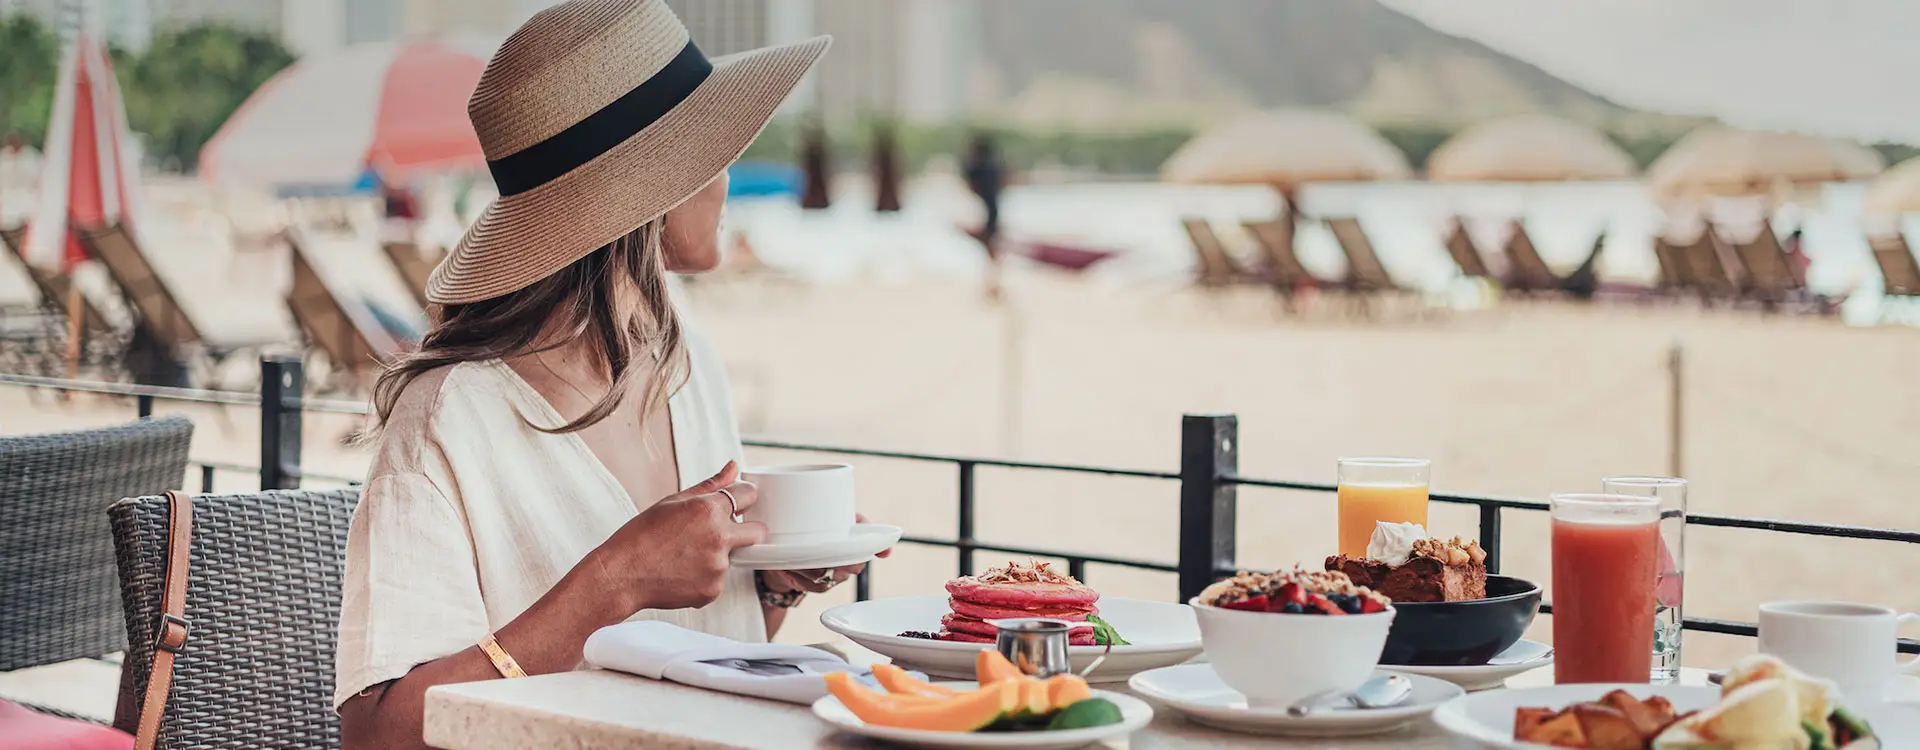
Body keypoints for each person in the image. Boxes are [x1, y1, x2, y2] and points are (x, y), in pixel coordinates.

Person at [334, 4, 853, 747]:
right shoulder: (451, 417)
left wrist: (771, 583)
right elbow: (377, 735)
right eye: (712, 150)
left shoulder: (687, 360)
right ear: (651, 192)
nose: (727, 177)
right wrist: (612, 581)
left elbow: (694, 653)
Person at [962, 134, 1006, 299]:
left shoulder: (979, 168)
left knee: (989, 249)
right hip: (991, 211)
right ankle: (992, 284)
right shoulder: (993, 167)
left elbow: (970, 183)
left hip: (984, 213)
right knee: (991, 250)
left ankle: (991, 284)